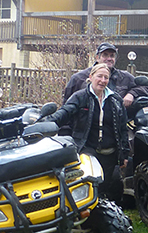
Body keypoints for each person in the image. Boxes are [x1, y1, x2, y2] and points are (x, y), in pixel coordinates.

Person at [47, 63, 129, 201]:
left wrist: (124, 154)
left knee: (112, 188)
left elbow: (123, 128)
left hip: (110, 153)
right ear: (91, 77)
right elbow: (64, 113)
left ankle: (109, 218)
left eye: (106, 77)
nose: (103, 80)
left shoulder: (115, 100)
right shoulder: (80, 97)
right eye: (99, 76)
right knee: (90, 186)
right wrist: (47, 123)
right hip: (87, 150)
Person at [63, 42, 146, 108]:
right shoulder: (78, 78)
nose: (109, 58)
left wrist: (131, 94)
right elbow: (66, 106)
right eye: (105, 55)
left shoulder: (124, 77)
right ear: (97, 57)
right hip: (85, 125)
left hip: (115, 123)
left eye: (112, 56)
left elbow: (144, 87)